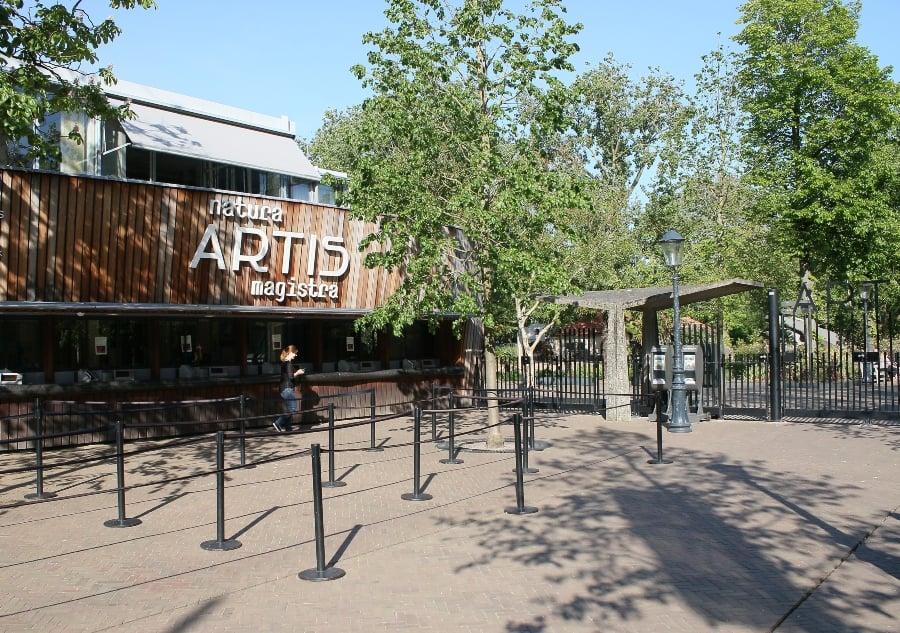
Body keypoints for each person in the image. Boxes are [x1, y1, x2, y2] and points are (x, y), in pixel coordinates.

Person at [273, 345, 304, 432]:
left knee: (289, 408)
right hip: (287, 389)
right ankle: (278, 423)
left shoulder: (284, 363)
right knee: (293, 408)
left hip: (284, 388)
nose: (295, 355)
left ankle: (288, 428)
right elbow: (291, 376)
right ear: (290, 352)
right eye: (295, 353)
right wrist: (298, 372)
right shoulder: (288, 363)